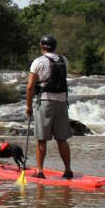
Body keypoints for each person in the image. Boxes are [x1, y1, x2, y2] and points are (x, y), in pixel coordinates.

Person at [25, 35, 73, 179]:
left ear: (42, 46)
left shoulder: (38, 62)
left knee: (41, 139)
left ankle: (40, 172)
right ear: (55, 46)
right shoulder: (63, 60)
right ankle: (68, 170)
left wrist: (28, 107)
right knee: (62, 138)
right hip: (62, 102)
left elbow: (30, 87)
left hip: (45, 102)